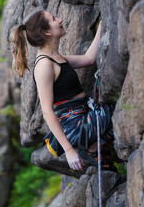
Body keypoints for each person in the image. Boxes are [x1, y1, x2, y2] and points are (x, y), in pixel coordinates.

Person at [11, 10, 115, 171]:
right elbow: (47, 111)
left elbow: (88, 59)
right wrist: (69, 150)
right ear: (46, 31)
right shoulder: (44, 65)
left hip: (82, 116)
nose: (60, 20)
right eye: (54, 19)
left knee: (116, 111)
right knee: (117, 109)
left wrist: (102, 25)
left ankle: (94, 145)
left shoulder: (56, 57)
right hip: (75, 125)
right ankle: (89, 145)